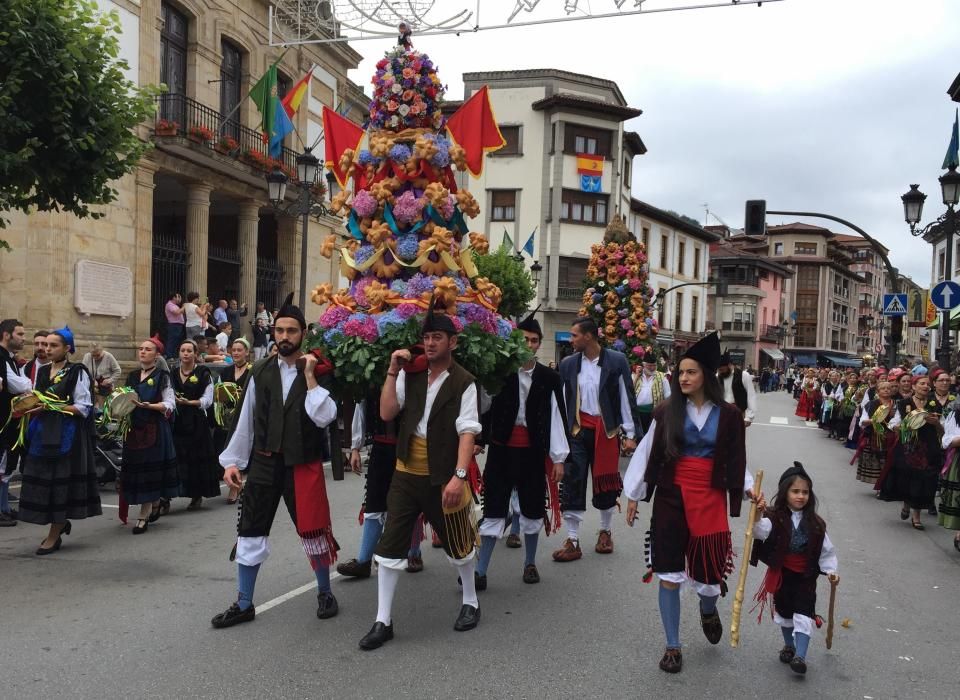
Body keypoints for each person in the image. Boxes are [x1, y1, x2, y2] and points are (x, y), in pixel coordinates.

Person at [623, 331, 749, 674]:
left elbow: (735, 459)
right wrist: (634, 494)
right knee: (668, 572)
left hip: (709, 497)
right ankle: (672, 646)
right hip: (670, 496)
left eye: (690, 372)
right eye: (680, 372)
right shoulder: (666, 411)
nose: (683, 378)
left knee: (708, 576)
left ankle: (708, 607)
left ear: (706, 376)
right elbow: (648, 452)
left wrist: (749, 490)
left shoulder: (730, 415)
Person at [358, 308, 483, 650]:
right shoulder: (409, 373)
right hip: (405, 474)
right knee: (390, 548)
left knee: (459, 543)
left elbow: (467, 433)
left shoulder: (465, 382)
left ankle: (470, 600)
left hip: (443, 476)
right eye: (426, 338)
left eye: (437, 338)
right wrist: (392, 369)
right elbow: (386, 413)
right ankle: (383, 620)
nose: (429, 343)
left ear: (452, 342)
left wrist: (459, 477)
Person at [212, 294, 340, 629]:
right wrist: (232, 463)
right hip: (265, 462)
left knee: (313, 530)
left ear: (302, 335)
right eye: (280, 330)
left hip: (302, 463)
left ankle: (325, 591)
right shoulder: (261, 371)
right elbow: (245, 419)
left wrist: (310, 375)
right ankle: (243, 603)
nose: (284, 336)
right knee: (250, 531)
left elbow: (325, 416)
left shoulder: (319, 370)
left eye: (291, 331)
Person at [476, 312, 569, 587]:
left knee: (531, 510)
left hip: (532, 452)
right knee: (493, 509)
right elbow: (483, 409)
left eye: (534, 341)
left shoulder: (550, 378)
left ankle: (530, 563)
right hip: (502, 451)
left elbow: (557, 419)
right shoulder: (500, 371)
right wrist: (478, 440)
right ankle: (480, 571)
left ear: (539, 344)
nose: (528, 345)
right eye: (524, 339)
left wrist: (559, 459)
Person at [553, 317, 637, 562]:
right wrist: (560, 436)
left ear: (588, 336)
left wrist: (630, 434)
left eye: (574, 335)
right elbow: (563, 402)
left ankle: (605, 531)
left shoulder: (616, 361)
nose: (571, 340)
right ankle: (573, 540)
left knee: (606, 483)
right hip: (578, 430)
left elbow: (625, 396)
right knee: (573, 481)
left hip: (606, 430)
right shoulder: (568, 363)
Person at [17, 328, 101, 553]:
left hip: (67, 435)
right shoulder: (42, 372)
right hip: (43, 434)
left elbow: (83, 407)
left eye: (53, 345)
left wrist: (52, 406)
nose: (47, 349)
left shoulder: (77, 372)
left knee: (60, 485)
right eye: (45, 345)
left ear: (67, 349)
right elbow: (37, 399)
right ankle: (59, 524)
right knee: (44, 482)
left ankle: (54, 533)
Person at [750, 463, 839, 676]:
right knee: (785, 612)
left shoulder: (816, 524)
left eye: (805, 492)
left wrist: (831, 570)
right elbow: (759, 532)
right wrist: (757, 515)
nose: (801, 496)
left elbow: (826, 550)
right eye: (795, 491)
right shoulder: (774, 516)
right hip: (783, 574)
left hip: (806, 576)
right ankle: (789, 645)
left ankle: (800, 655)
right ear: (785, 492)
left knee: (803, 613)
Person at [337, 391, 426, 579]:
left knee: (412, 500)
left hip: (410, 446)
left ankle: (414, 552)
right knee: (374, 503)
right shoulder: (374, 375)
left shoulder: (416, 373)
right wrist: (355, 448)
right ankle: (363, 561)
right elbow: (361, 409)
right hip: (380, 447)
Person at [121, 337, 180, 533]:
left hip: (154, 428)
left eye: (148, 349)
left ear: (157, 354)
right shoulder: (132, 375)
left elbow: (170, 403)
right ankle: (155, 501)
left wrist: (151, 406)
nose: (143, 352)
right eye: (141, 348)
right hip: (134, 428)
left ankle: (142, 515)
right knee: (137, 470)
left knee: (148, 472)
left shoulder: (163, 376)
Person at [877, 375, 943, 530]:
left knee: (923, 479)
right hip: (909, 446)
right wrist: (904, 427)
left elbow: (943, 430)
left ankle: (916, 516)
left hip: (928, 447)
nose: (925, 386)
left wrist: (937, 423)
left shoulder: (935, 405)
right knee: (909, 476)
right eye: (921, 384)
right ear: (914, 387)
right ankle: (907, 504)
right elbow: (894, 424)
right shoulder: (904, 404)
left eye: (927, 384)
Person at [171, 339, 220, 510]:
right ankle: (166, 498)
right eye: (182, 350)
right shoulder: (173, 373)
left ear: (195, 354)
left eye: (189, 351)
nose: (185, 354)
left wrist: (191, 402)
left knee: (195, 458)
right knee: (176, 458)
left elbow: (207, 400)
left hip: (196, 421)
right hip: (177, 421)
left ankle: (196, 494)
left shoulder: (203, 373)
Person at [0, 319, 32, 527]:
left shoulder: (10, 358)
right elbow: (18, 385)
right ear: (6, 335)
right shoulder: (2, 357)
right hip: (2, 420)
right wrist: (27, 385)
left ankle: (3, 507)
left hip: (9, 421)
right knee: (1, 465)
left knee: (6, 466)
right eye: (19, 334)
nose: (23, 338)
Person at [214, 338, 253, 504]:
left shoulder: (252, 370)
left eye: (240, 350)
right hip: (229, 417)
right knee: (228, 447)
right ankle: (234, 482)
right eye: (234, 350)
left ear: (247, 352)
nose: (236, 353)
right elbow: (218, 393)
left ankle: (235, 487)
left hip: (245, 416)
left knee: (242, 447)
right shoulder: (226, 371)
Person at [853, 379, 895, 485]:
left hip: (891, 437)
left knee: (889, 463)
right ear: (878, 391)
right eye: (883, 388)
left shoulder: (896, 405)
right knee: (877, 463)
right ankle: (880, 486)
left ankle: (885, 485)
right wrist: (874, 420)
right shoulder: (871, 404)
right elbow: (862, 422)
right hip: (874, 437)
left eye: (889, 388)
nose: (886, 390)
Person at [634, 349, 671, 436]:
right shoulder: (636, 376)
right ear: (643, 365)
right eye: (649, 366)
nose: (652, 368)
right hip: (637, 414)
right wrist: (636, 376)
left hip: (654, 414)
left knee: (650, 437)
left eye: (654, 365)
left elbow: (668, 396)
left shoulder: (662, 377)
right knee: (638, 437)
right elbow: (629, 392)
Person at [718, 351, 757, 427]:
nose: (720, 372)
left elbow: (751, 396)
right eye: (719, 370)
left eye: (722, 370)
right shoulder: (718, 376)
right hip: (722, 412)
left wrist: (749, 417)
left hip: (739, 412)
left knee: (737, 438)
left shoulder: (744, 375)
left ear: (729, 365)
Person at [81, 342, 122, 406]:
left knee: (103, 410)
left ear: (102, 351)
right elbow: (83, 372)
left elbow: (117, 371)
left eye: (98, 355)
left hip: (105, 389)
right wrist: (92, 381)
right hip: (91, 389)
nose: (95, 357)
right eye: (93, 355)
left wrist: (110, 380)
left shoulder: (109, 356)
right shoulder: (87, 357)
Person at [164, 292, 186, 358]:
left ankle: (173, 355)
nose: (179, 299)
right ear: (174, 298)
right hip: (174, 325)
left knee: (176, 341)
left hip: (178, 325)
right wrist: (183, 307)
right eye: (178, 297)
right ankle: (169, 356)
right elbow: (176, 312)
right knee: (172, 340)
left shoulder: (175, 305)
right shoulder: (170, 304)